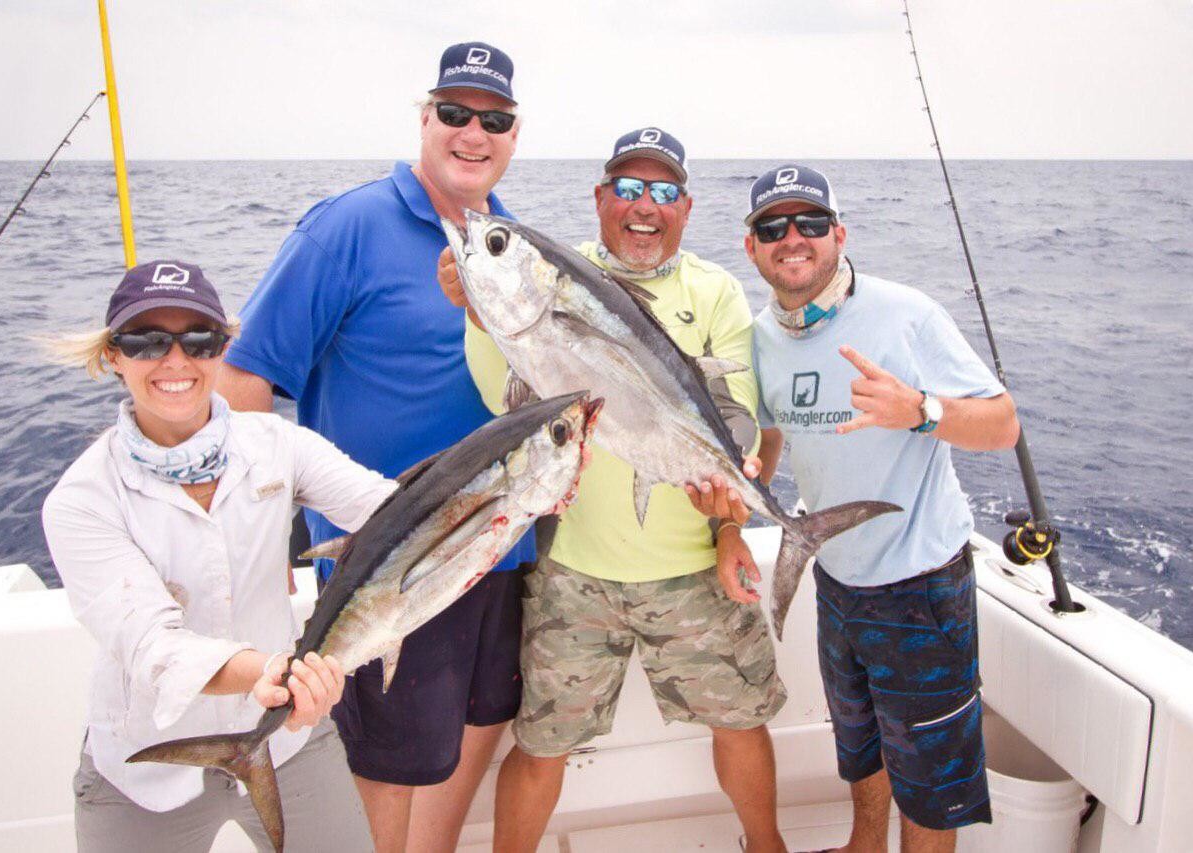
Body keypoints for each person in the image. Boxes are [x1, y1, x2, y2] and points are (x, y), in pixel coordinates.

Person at [215, 42, 533, 853]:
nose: (473, 132)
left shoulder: (508, 244)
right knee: (390, 760)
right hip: (388, 562)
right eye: (454, 113)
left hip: (505, 549)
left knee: (483, 718)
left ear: (513, 134)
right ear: (423, 121)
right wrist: (237, 536)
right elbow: (243, 381)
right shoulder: (346, 227)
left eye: (492, 119)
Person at [440, 129, 790, 853]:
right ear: (599, 199)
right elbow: (505, 398)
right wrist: (479, 310)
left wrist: (729, 524)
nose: (644, 207)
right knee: (539, 744)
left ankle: (768, 847)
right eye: (627, 189)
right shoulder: (554, 277)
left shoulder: (715, 290)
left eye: (663, 192)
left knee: (740, 721)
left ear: (686, 208)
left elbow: (738, 419)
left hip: (691, 564)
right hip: (573, 569)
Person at [688, 164, 1021, 853]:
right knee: (859, 741)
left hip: (920, 584)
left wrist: (921, 410)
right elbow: (772, 434)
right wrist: (742, 489)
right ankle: (861, 846)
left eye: (809, 222)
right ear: (750, 247)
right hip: (835, 577)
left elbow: (1002, 423)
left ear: (838, 234)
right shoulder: (759, 339)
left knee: (927, 778)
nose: (792, 238)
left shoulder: (907, 314)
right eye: (771, 226)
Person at [42, 260, 397, 852]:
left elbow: (389, 513)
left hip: (288, 736)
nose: (176, 360)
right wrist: (269, 672)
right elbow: (154, 648)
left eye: (199, 339)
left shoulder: (279, 445)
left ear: (224, 347)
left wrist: (516, 488)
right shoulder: (83, 499)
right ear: (113, 356)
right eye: (147, 340)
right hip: (145, 762)